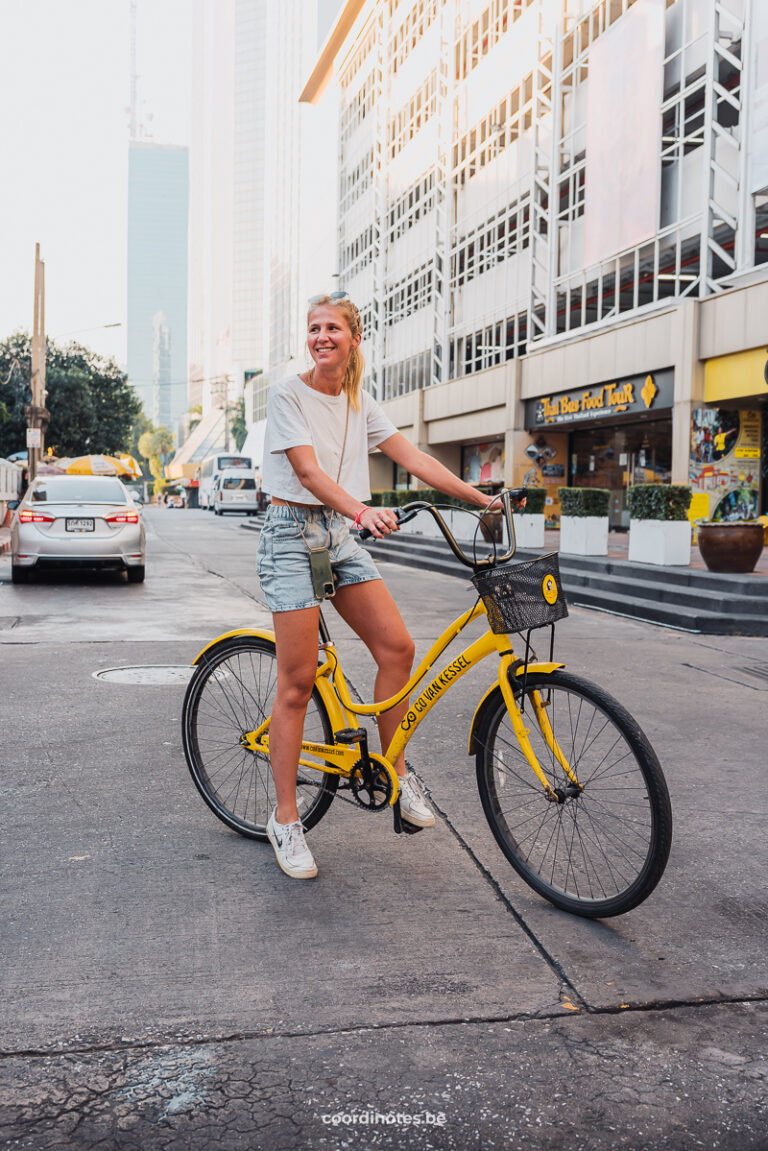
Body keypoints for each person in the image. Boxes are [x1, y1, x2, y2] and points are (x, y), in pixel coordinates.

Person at [257, 293, 501, 879]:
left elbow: (413, 457)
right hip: (292, 533)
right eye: (313, 328)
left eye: (332, 328)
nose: (321, 337)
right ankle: (285, 819)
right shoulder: (288, 394)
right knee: (297, 681)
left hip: (337, 533)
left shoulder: (358, 402)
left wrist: (481, 500)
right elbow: (309, 472)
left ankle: (395, 770)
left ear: (353, 339)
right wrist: (363, 512)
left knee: (397, 648)